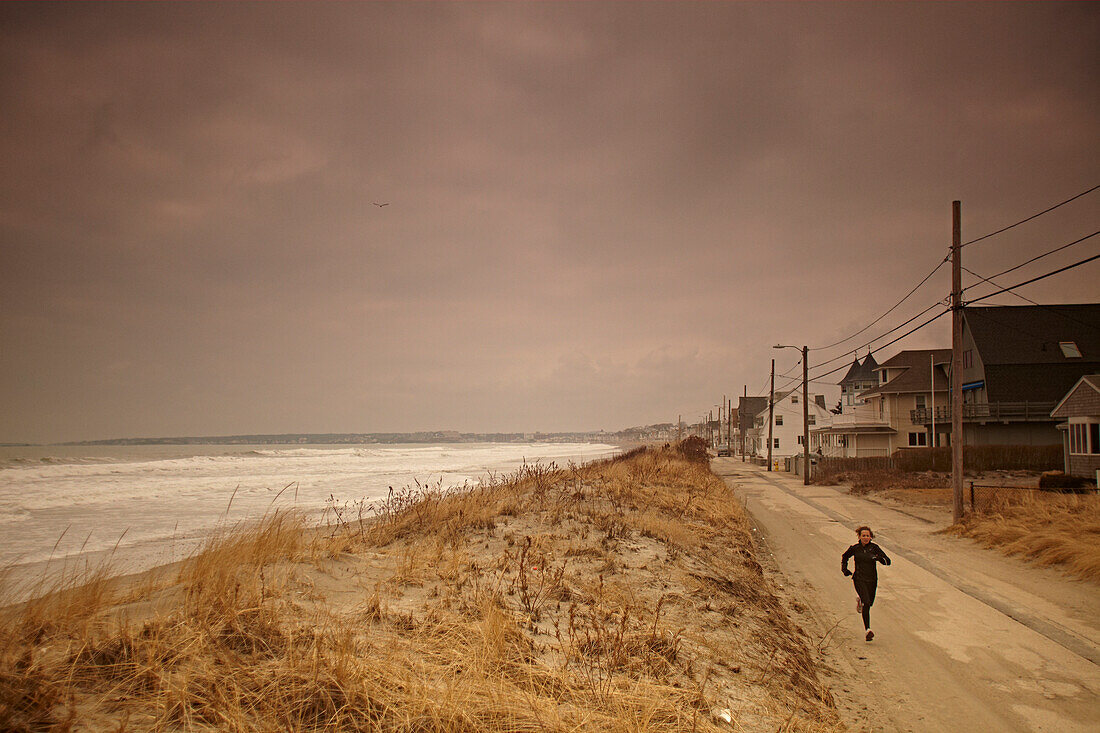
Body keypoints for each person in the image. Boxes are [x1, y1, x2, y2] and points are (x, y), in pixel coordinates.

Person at [841, 525, 891, 641]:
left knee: (869, 603)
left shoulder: (874, 548)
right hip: (859, 578)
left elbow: (887, 561)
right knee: (867, 603)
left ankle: (860, 602)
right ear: (859, 536)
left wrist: (877, 558)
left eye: (868, 536)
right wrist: (845, 570)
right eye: (863, 535)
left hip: (872, 580)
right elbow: (845, 557)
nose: (866, 538)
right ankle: (867, 630)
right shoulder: (855, 548)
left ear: (871, 537)